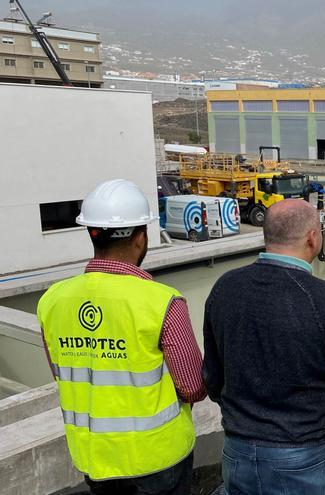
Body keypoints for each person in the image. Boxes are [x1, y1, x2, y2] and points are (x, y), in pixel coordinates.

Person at [37, 179, 206, 494]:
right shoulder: (163, 302)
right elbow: (193, 387)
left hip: (94, 459)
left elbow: (65, 374)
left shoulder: (53, 300)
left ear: (91, 233)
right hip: (159, 459)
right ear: (141, 238)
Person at [202, 199, 325, 495]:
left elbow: (212, 376)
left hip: (238, 451)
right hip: (304, 456)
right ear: (313, 238)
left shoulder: (225, 288)